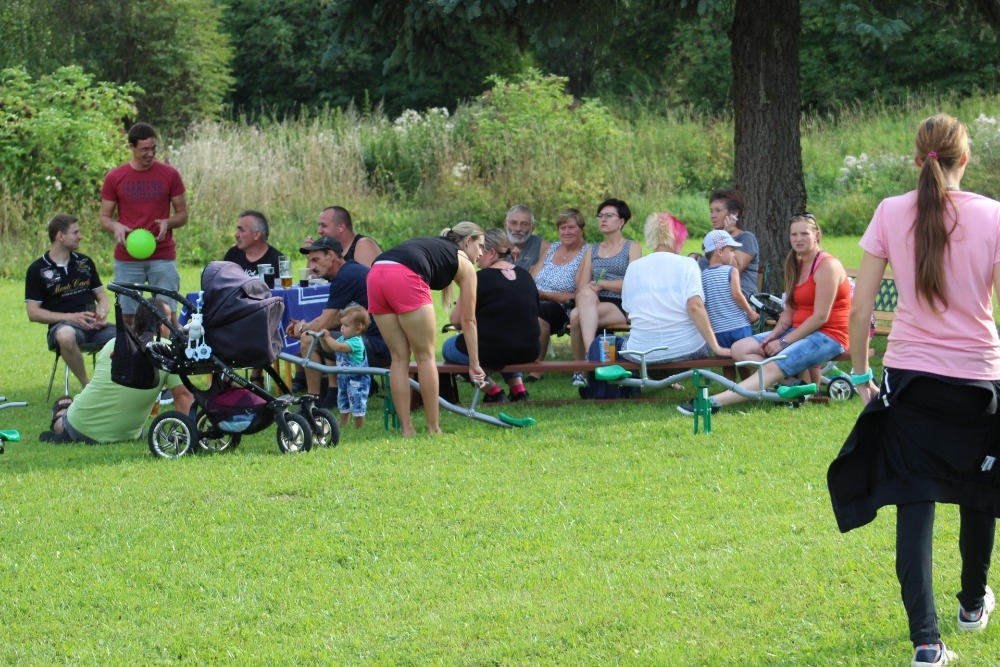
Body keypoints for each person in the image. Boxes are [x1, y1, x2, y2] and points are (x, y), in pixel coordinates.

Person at [828, 114, 1000, 667]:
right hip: (978, 378)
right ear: (965, 158)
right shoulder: (993, 215)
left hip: (909, 379)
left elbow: (859, 310)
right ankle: (971, 604)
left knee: (915, 500)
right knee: (978, 490)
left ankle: (927, 643)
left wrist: (860, 376)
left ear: (916, 158)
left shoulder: (889, 210)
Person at [678, 212, 850, 415]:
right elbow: (790, 310)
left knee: (772, 366)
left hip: (828, 335)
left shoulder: (828, 266)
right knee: (739, 348)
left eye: (804, 233)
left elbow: (820, 317)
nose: (798, 239)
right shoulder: (796, 263)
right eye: (794, 234)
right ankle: (796, 385)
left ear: (817, 235)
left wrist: (783, 342)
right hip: (798, 330)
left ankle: (711, 403)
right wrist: (773, 336)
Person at [367, 222, 486, 437]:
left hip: (376, 273)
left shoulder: (436, 246)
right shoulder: (465, 263)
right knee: (425, 357)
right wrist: (474, 364)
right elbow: (468, 321)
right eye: (481, 246)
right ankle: (434, 428)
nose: (481, 253)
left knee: (398, 358)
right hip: (404, 276)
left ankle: (407, 430)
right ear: (469, 241)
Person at [41, 301, 194, 443]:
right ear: (161, 326)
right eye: (170, 320)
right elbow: (183, 396)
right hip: (126, 435)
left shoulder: (112, 344)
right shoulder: (168, 351)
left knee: (64, 422)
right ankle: (60, 415)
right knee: (64, 419)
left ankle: (60, 414)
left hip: (80, 427)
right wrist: (187, 435)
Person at [99, 122, 187, 324]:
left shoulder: (170, 174)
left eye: (154, 148)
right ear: (131, 147)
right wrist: (116, 226)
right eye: (144, 149)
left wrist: (167, 223)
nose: (151, 154)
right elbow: (104, 218)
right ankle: (130, 346)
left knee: (167, 314)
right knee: (128, 317)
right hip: (127, 256)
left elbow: (182, 214)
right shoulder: (115, 177)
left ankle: (170, 345)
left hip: (162, 254)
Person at [286, 237, 389, 406]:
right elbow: (337, 318)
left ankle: (312, 402)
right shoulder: (350, 270)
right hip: (387, 343)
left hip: (379, 347)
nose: (311, 266)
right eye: (310, 261)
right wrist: (308, 325)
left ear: (331, 255)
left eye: (315, 260)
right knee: (327, 332)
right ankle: (333, 393)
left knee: (308, 338)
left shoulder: (344, 277)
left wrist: (303, 327)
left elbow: (322, 324)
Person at [443, 228, 540, 402]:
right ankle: (518, 389)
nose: (478, 255)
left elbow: (456, 320)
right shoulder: (525, 275)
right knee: (507, 339)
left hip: (493, 351)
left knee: (449, 347)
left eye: (481, 249)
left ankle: (493, 391)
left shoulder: (478, 278)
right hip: (530, 349)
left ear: (492, 253)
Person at [620, 212, 730, 365]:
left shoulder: (633, 268)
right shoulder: (688, 264)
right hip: (687, 348)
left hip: (642, 352)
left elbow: (629, 314)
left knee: (612, 343)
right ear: (677, 238)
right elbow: (695, 307)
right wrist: (716, 347)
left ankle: (652, 378)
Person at [25, 214, 116, 389]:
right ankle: (88, 388)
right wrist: (72, 317)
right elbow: (33, 313)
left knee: (129, 336)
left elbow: (102, 296)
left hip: (95, 326)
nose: (80, 236)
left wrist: (102, 313)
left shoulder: (85, 262)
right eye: (75, 232)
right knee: (65, 335)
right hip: (64, 327)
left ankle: (118, 388)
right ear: (60, 236)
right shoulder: (37, 269)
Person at [568, 198, 642, 388]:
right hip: (592, 302)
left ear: (621, 221)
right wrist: (590, 288)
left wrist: (603, 284)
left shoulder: (632, 247)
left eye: (609, 216)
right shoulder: (592, 250)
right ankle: (590, 357)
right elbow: (582, 285)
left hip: (620, 303)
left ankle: (584, 365)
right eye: (600, 216)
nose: (603, 219)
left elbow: (633, 283)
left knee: (576, 316)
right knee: (582, 302)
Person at [527, 208, 589, 382]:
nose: (566, 232)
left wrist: (543, 295)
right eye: (563, 228)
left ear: (582, 230)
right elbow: (533, 277)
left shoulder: (587, 252)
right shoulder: (552, 248)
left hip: (563, 306)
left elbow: (577, 293)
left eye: (571, 227)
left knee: (539, 316)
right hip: (535, 298)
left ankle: (536, 369)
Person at [701, 230, 760, 348]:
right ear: (719, 251)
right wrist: (750, 313)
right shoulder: (731, 270)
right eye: (731, 250)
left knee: (725, 358)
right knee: (744, 355)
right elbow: (737, 295)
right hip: (738, 326)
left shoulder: (703, 275)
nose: (733, 254)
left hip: (718, 331)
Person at [318, 305, 372, 429]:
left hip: (357, 381)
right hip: (343, 378)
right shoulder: (343, 338)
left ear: (358, 329)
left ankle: (358, 426)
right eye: (342, 324)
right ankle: (343, 423)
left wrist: (328, 337)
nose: (342, 327)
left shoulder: (356, 342)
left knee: (357, 402)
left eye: (346, 325)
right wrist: (323, 340)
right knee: (343, 400)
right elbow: (329, 348)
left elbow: (338, 347)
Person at [700, 189, 760, 296]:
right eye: (711, 211)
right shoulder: (712, 240)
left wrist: (725, 235)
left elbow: (733, 269)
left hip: (740, 300)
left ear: (734, 214)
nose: (713, 215)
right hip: (714, 298)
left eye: (718, 210)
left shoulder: (746, 238)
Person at [304, 206, 382, 267]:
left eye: (324, 226)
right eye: (319, 225)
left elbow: (370, 280)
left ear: (341, 227)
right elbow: (312, 281)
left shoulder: (363, 245)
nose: (319, 231)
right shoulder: (328, 249)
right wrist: (312, 257)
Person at [223, 210, 284, 284]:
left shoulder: (277, 261)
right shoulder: (232, 255)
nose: (236, 235)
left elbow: (283, 290)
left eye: (241, 230)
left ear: (256, 235)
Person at [504, 204, 550, 271]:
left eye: (524, 224)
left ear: (532, 228)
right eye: (513, 223)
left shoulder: (543, 247)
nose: (518, 229)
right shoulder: (494, 244)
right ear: (505, 224)